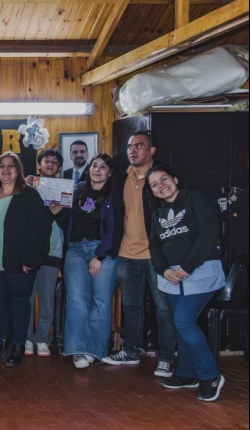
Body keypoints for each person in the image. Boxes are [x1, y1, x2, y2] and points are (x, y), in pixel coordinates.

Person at [146, 163, 226, 401]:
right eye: (154, 185)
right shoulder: (158, 214)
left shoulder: (195, 198)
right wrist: (162, 270)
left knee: (183, 321)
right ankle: (186, 373)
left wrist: (187, 267)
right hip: (171, 277)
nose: (160, 186)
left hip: (200, 271)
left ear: (175, 179)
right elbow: (154, 245)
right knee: (179, 322)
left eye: (163, 180)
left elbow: (208, 233)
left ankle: (210, 375)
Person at [102, 131, 177, 378]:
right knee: (132, 307)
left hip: (157, 257)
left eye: (139, 146)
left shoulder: (161, 179)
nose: (132, 150)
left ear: (151, 151)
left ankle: (165, 358)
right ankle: (131, 351)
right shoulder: (121, 177)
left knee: (163, 310)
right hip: (126, 253)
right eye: (130, 146)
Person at [0, 151, 47, 367]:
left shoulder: (29, 195)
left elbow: (38, 230)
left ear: (18, 170)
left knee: (18, 303)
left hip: (18, 262)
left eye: (11, 166)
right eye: (2, 166)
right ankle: (0, 343)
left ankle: (18, 345)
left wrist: (30, 258)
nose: (6, 170)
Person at [58, 154, 117, 369]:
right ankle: (77, 350)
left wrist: (99, 256)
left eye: (103, 167)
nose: (98, 169)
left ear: (109, 172)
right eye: (94, 165)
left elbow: (114, 229)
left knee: (100, 302)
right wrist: (57, 212)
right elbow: (65, 220)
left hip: (102, 250)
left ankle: (95, 349)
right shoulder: (77, 189)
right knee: (76, 298)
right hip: (74, 249)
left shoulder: (113, 194)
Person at [23, 148, 65, 357]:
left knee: (47, 299)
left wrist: (58, 214)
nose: (50, 164)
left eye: (54, 162)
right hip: (30, 252)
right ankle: (28, 338)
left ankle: (42, 339)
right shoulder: (28, 186)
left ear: (59, 168)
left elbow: (68, 223)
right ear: (39, 165)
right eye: (46, 161)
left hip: (51, 253)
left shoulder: (66, 190)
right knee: (27, 298)